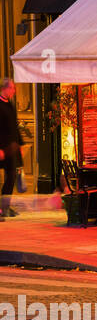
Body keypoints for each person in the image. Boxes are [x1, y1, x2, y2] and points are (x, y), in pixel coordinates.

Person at [0, 78, 22, 220]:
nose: (14, 91)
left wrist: (20, 144)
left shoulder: (11, 104)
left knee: (12, 176)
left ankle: (4, 207)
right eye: (12, 88)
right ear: (5, 88)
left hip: (12, 148)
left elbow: (15, 126)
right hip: (1, 149)